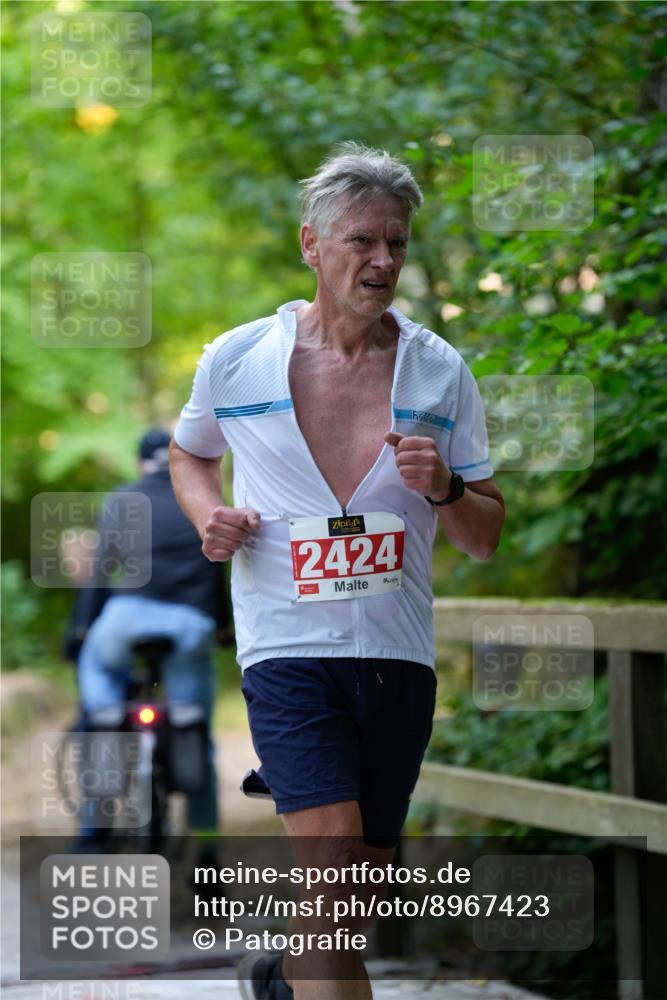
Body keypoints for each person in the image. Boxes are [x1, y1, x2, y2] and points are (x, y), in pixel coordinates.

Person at [170, 142, 505, 1000]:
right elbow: (189, 454)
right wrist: (209, 514)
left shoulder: (439, 369)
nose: (383, 260)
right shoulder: (239, 358)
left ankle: (284, 979)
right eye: (361, 240)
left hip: (397, 655)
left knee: (350, 904)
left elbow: (484, 536)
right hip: (285, 645)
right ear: (311, 246)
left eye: (396, 242)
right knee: (330, 864)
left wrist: (447, 486)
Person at [77, 428, 230, 842]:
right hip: (189, 626)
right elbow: (217, 570)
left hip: (126, 618)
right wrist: (223, 627)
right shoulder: (201, 501)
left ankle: (94, 825)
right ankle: (208, 850)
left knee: (97, 673)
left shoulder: (122, 501)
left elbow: (99, 575)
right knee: (195, 733)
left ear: (140, 462)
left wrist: (80, 630)